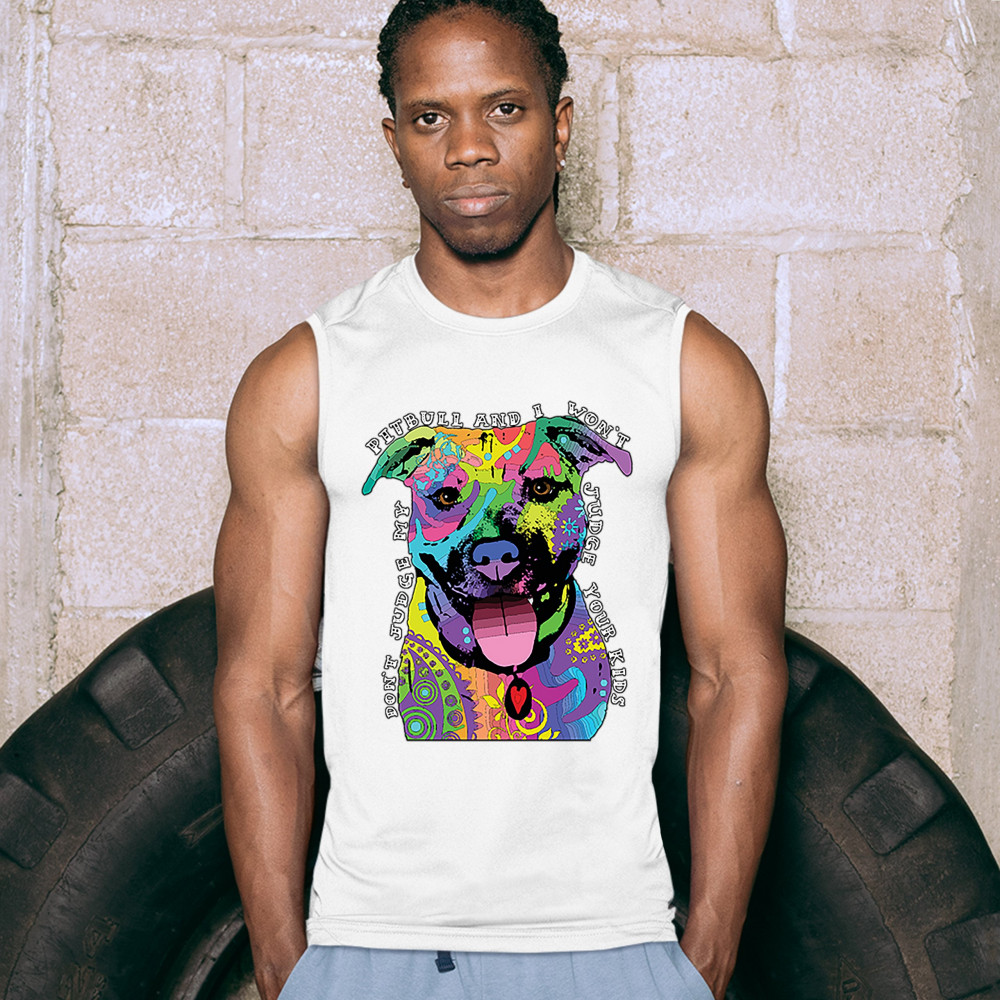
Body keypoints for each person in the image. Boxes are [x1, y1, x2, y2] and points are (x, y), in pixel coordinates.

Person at [212, 1, 788, 998]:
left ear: (559, 125)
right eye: (431, 117)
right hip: (368, 942)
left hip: (614, 943)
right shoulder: (306, 377)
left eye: (505, 109)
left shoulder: (683, 365)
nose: (469, 146)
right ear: (394, 142)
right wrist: (284, 965)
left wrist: (704, 960)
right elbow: (263, 684)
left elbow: (735, 672)